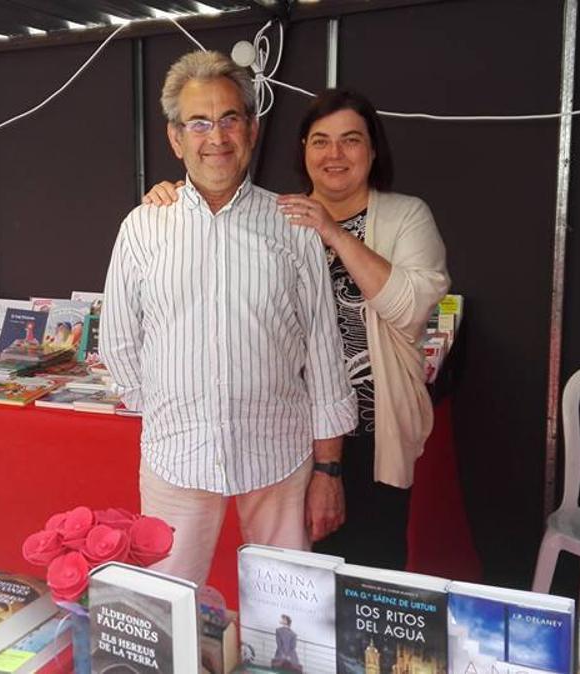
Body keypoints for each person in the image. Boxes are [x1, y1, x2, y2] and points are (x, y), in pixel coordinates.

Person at [142, 89, 449, 569]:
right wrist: (177, 199)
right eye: (320, 141)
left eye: (351, 140)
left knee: (368, 570)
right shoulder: (280, 218)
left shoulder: (405, 215)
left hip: (374, 429)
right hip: (290, 439)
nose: (334, 154)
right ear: (303, 149)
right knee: (297, 576)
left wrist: (333, 232)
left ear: (373, 149)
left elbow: (409, 307)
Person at [102, 51, 357, 585]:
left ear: (252, 129)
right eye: (198, 123)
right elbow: (119, 344)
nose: (215, 137)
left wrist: (328, 468)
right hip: (176, 459)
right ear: (176, 138)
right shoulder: (143, 228)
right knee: (168, 601)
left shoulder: (294, 225)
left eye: (228, 119)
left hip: (279, 455)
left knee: (288, 606)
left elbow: (324, 355)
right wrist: (174, 410)